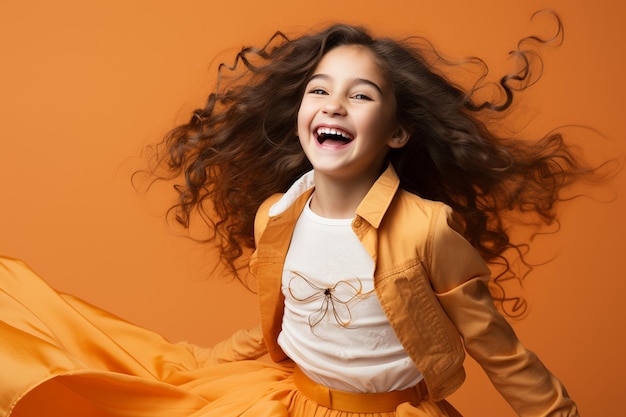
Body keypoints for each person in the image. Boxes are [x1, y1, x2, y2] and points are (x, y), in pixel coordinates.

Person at [1, 14, 597, 417]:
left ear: (397, 131)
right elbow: (288, 328)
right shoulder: (278, 216)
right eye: (319, 90)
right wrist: (197, 366)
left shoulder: (425, 231)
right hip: (285, 403)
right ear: (301, 112)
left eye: (360, 94)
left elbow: (500, 352)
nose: (333, 104)